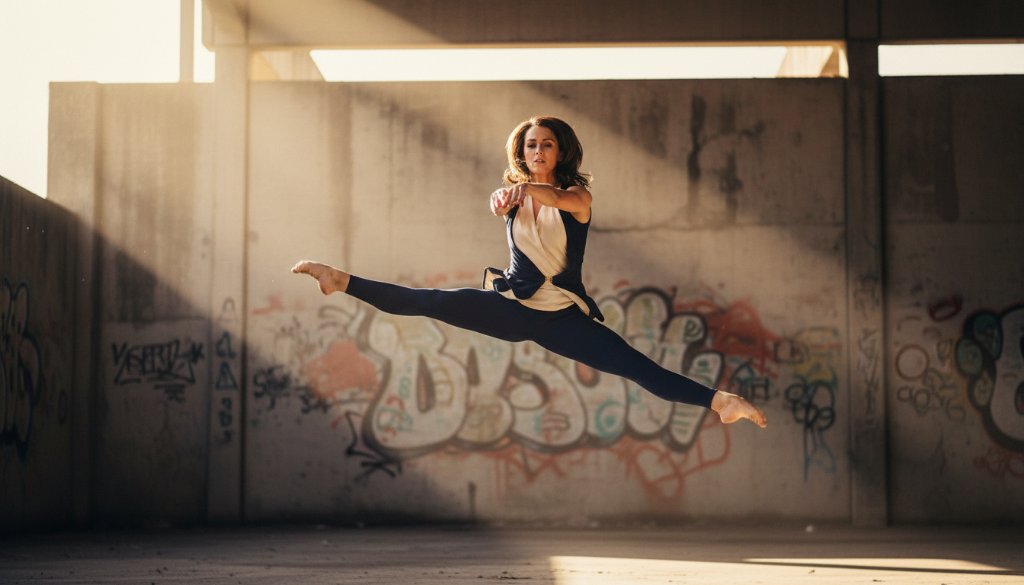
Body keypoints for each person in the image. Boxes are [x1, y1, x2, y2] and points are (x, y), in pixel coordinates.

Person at [292, 116, 767, 428]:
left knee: (635, 367)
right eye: (529, 145)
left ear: (561, 152)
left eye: (546, 145)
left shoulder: (578, 197)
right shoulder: (512, 197)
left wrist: (521, 191)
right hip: (513, 308)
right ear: (520, 152)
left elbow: (557, 199)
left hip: (562, 318)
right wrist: (500, 198)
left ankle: (720, 402)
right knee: (429, 301)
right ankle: (341, 279)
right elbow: (500, 199)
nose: (537, 151)